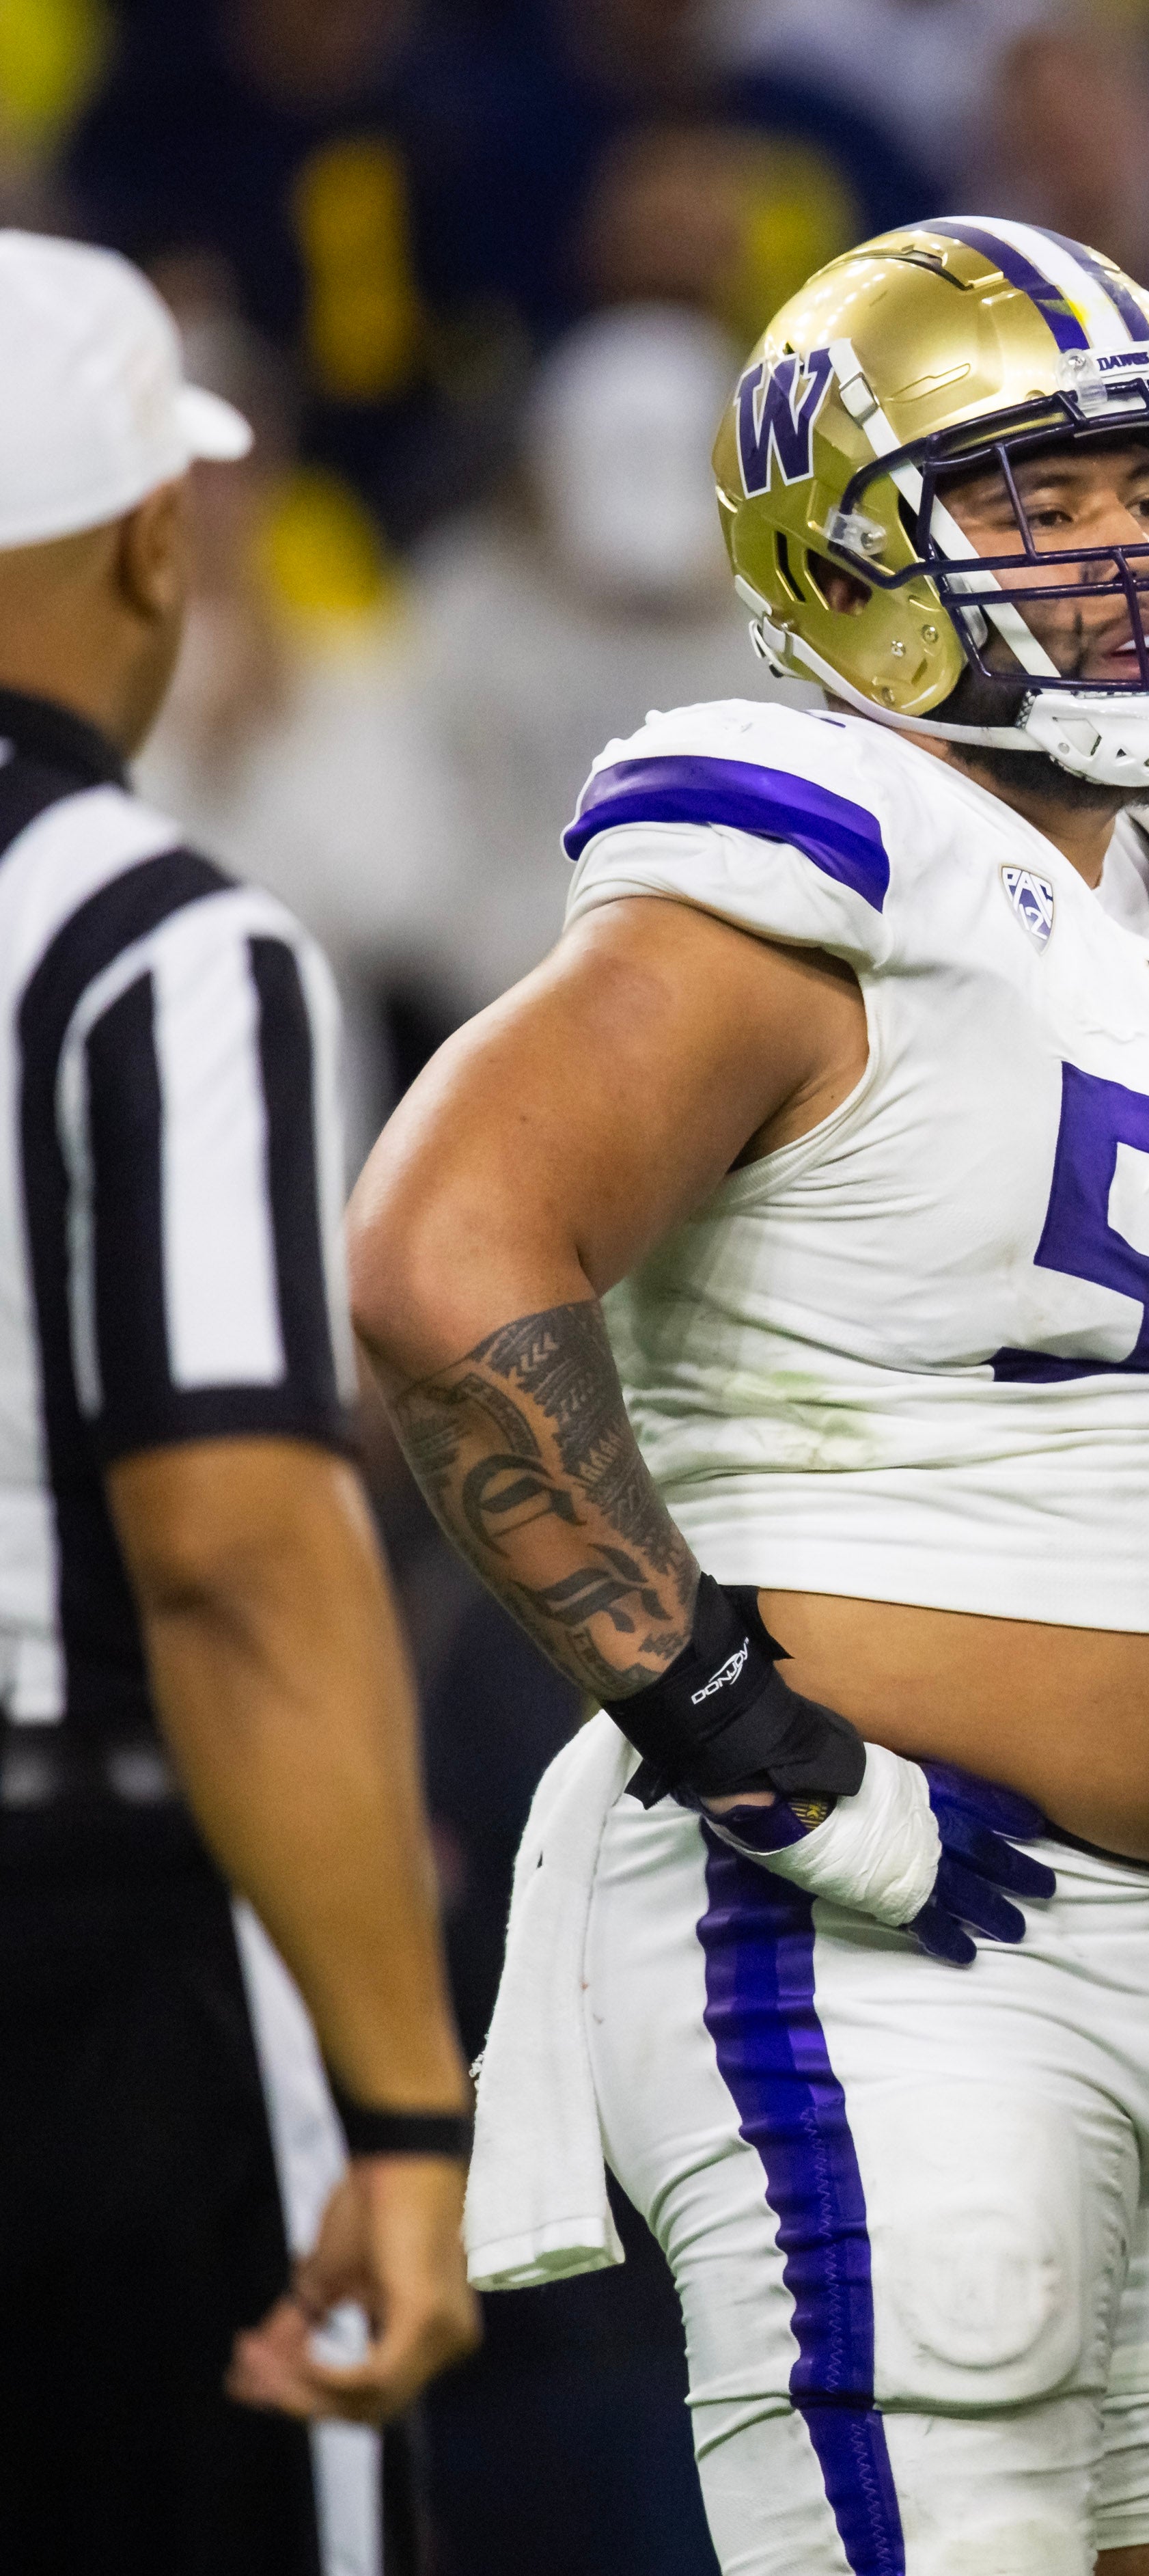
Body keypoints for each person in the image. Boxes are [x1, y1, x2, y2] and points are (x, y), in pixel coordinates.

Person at [346, 217, 1149, 2576]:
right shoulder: (793, 846)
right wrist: (730, 1722)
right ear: (849, 564)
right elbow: (440, 1257)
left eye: (1145, 487)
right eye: (1036, 502)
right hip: (870, 1936)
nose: (1127, 550)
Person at [0, 228, 477, 2575]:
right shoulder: (146, 938)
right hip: (82, 1954)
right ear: (157, 538)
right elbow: (235, 1557)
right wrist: (401, 2108)